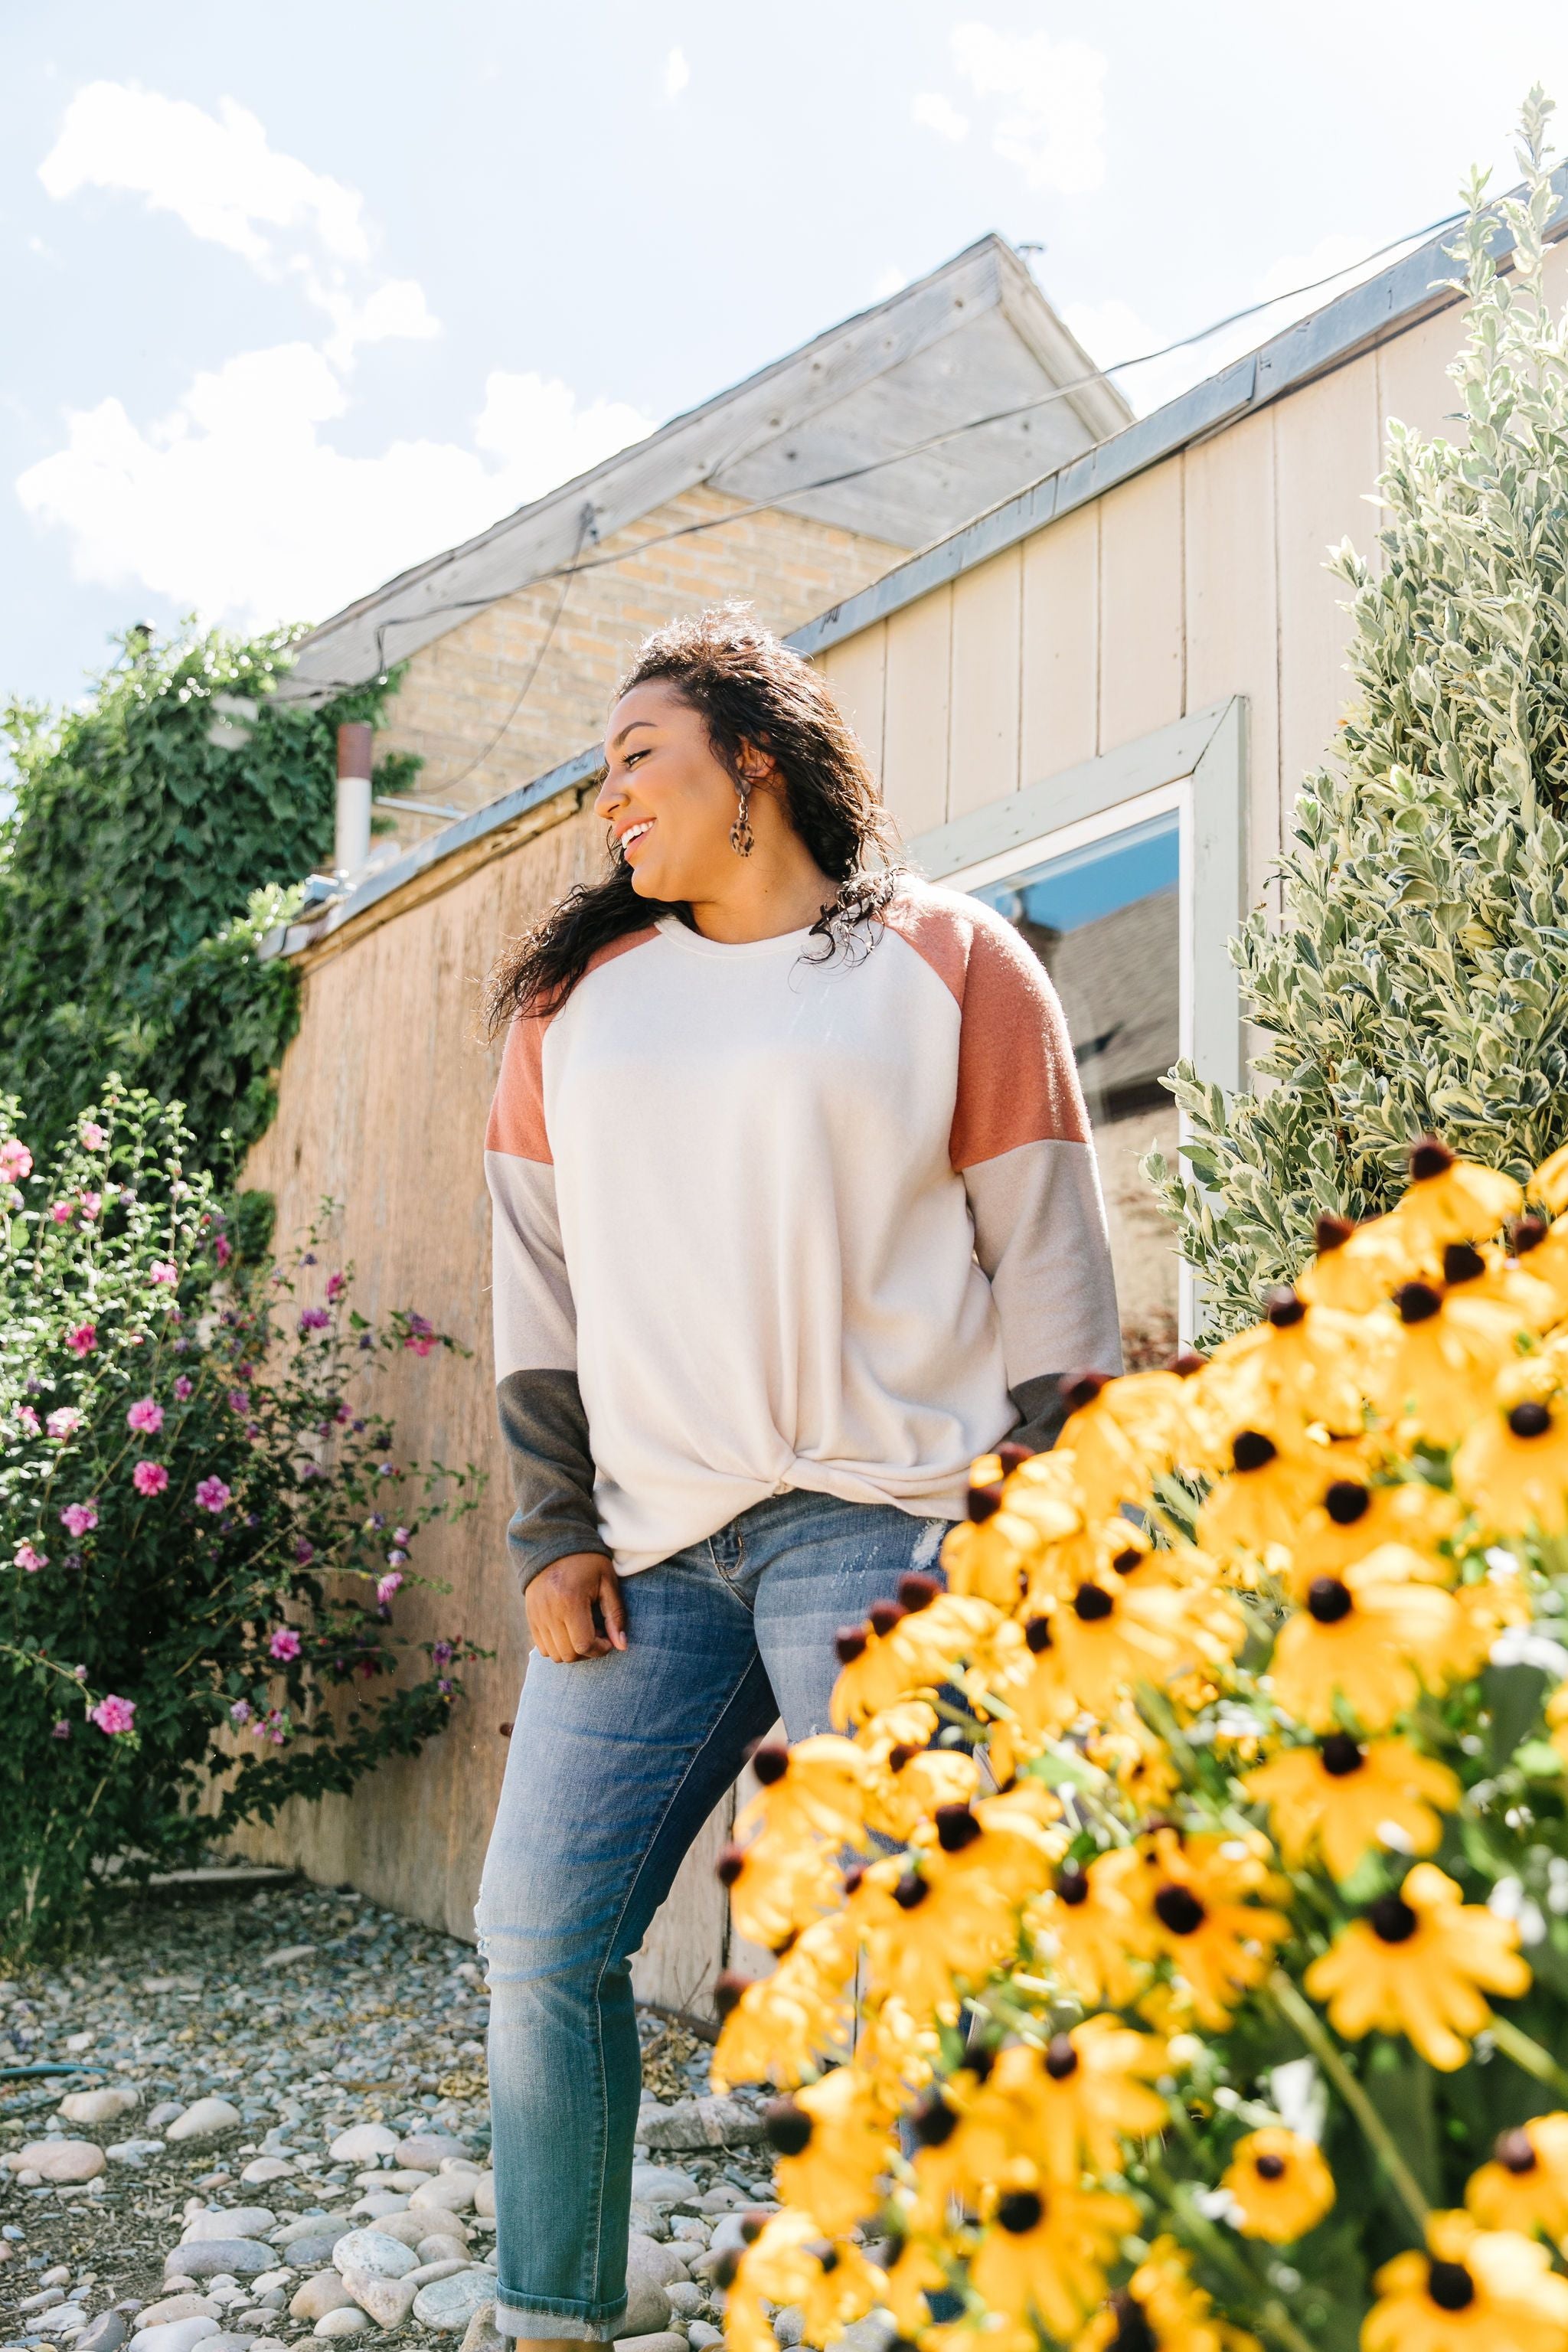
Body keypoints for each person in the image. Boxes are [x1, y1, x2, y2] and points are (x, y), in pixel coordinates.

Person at [474, 604, 1120, 2345]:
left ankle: (968, 2299)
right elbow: (536, 1294)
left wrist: (1048, 1508)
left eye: (638, 758)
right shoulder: (573, 1007)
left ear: (751, 763)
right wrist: (550, 1526)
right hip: (653, 1541)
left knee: (911, 1940)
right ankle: (551, 2313)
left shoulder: (950, 959)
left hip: (889, 1510)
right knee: (538, 1935)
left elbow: (1049, 1254)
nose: (609, 800)